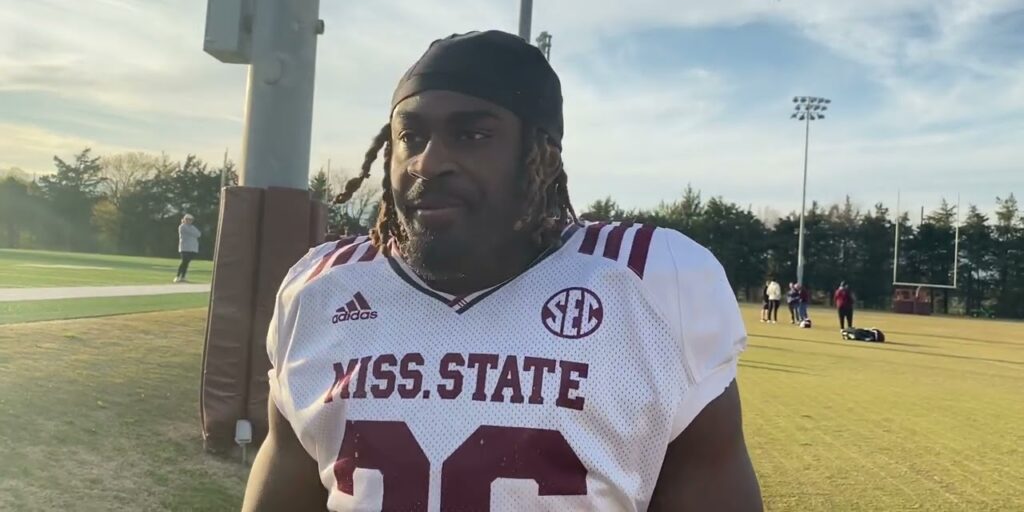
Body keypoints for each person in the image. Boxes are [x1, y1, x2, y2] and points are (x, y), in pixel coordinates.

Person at [242, 31, 762, 511]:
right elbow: (286, 478)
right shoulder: (322, 288)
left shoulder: (650, 283)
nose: (428, 162)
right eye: (411, 136)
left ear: (541, 155)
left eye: (471, 134)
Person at [175, 214, 200, 283]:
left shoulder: (192, 227)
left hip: (192, 248)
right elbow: (191, 233)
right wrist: (194, 234)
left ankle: (183, 277)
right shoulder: (182, 226)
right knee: (184, 262)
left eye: (191, 220)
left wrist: (194, 233)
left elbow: (199, 234)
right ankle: (177, 276)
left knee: (186, 263)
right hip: (184, 247)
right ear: (185, 220)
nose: (189, 221)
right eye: (188, 219)